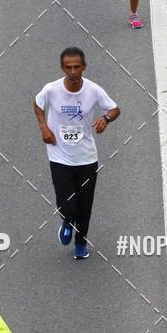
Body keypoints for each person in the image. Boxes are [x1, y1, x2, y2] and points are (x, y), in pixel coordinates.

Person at [33, 48, 120, 259]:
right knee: (67, 204)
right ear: (63, 68)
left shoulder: (93, 90)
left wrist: (105, 119)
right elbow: (37, 104)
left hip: (86, 157)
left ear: (84, 67)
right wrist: (44, 127)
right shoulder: (51, 90)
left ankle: (81, 244)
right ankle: (67, 219)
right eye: (68, 67)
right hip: (59, 155)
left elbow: (115, 109)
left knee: (85, 204)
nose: (73, 71)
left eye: (76, 67)